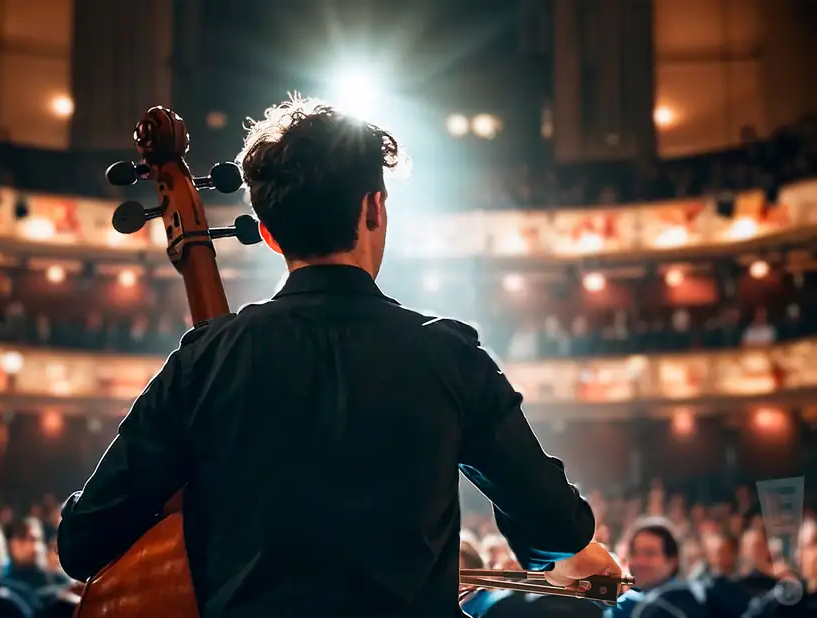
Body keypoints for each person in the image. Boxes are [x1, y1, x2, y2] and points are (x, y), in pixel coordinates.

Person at [58, 96, 618, 616]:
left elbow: (83, 541)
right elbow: (555, 525)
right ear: (375, 209)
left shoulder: (205, 361)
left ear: (271, 235)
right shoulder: (449, 356)